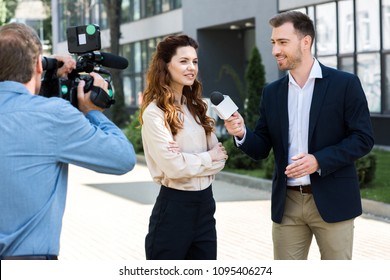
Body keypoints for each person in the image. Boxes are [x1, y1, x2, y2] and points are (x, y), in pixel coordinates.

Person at [224, 11, 374, 260]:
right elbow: (261, 148)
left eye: (283, 42)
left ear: (306, 42)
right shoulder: (272, 93)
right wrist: (241, 133)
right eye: (273, 43)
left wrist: (319, 160)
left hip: (333, 199)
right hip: (288, 203)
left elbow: (363, 138)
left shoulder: (344, 84)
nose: (275, 50)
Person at [0, 22, 136, 260]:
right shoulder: (53, 115)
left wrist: (48, 75)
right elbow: (123, 158)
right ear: (37, 66)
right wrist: (93, 111)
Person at [139, 34, 228, 260]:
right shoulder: (155, 113)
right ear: (165, 66)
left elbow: (221, 159)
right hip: (174, 209)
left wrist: (195, 160)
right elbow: (175, 168)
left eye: (195, 62)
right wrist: (208, 157)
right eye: (183, 61)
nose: (191, 68)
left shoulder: (199, 108)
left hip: (206, 206)